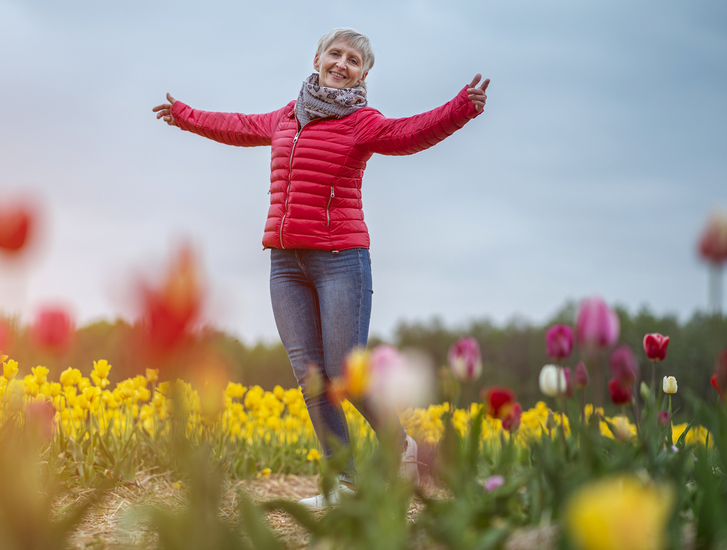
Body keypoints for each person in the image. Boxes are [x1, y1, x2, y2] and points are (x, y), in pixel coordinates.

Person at [153, 27, 488, 510]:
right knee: (311, 378)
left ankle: (404, 448)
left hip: (340, 262)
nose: (342, 63)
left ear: (364, 73)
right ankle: (342, 485)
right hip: (285, 264)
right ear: (317, 57)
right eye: (336, 54)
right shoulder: (286, 117)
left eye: (354, 60)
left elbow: (409, 132)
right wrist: (184, 115)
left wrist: (461, 108)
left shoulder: (362, 122)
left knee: (342, 373)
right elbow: (235, 125)